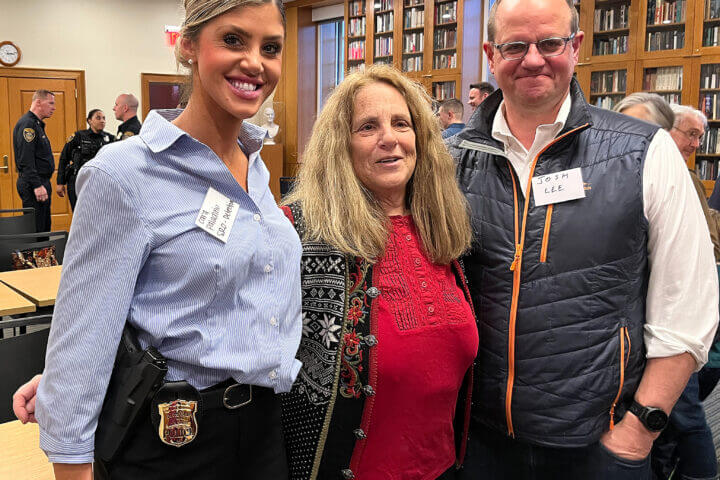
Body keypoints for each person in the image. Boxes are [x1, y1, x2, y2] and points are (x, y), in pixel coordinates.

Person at [12, 1, 300, 479]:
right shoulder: (124, 174)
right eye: (232, 40)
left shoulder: (256, 168)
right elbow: (81, 340)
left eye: (270, 47)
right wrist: (72, 457)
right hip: (173, 440)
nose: (255, 61)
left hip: (265, 431)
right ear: (188, 46)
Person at [448, 0, 718, 478]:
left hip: (599, 446)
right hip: (477, 443)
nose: (533, 59)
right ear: (491, 54)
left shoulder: (644, 152)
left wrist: (641, 427)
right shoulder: (449, 158)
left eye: (550, 43)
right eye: (515, 45)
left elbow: (688, 304)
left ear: (575, 48)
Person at [280, 63, 477, 480]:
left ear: (421, 138)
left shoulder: (442, 229)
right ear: (341, 146)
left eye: (401, 123)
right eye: (367, 127)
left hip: (443, 469)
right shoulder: (297, 232)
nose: (389, 138)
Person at [616, 97, 719, 480]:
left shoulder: (678, 175)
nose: (627, 139)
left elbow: (700, 254)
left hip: (667, 325)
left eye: (641, 129)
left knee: (685, 416)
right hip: (627, 329)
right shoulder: (611, 173)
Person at [12, 89, 56, 232]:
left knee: (43, 228)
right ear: (38, 102)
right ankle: (35, 255)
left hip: (40, 181)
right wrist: (37, 185)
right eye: (50, 103)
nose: (53, 107)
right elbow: (26, 159)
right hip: (34, 184)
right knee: (35, 230)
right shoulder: (28, 125)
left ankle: (43, 255)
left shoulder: (36, 124)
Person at [56, 109, 115, 210]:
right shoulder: (78, 136)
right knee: (79, 213)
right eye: (98, 118)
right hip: (78, 180)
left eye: (104, 118)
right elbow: (64, 158)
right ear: (89, 121)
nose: (102, 121)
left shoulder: (109, 138)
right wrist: (60, 182)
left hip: (100, 182)